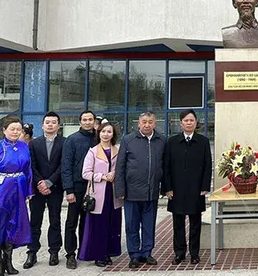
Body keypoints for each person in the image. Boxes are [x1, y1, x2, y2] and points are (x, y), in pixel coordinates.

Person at [0, 116, 34, 276]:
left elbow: (28, 170)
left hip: (18, 192)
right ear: (4, 130)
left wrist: (29, 191)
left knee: (14, 225)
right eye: (12, 129)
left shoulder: (24, 147)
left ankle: (8, 261)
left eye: (18, 129)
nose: (15, 132)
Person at [115, 111, 165, 269]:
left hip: (151, 192)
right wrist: (120, 189)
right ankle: (134, 255)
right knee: (132, 225)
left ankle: (147, 253)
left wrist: (165, 187)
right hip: (131, 192)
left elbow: (165, 166)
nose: (147, 125)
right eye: (144, 122)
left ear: (155, 124)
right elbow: (120, 166)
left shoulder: (161, 140)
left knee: (149, 225)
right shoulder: (128, 140)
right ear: (139, 123)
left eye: (150, 122)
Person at [162, 109, 212, 265]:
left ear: (196, 123)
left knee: (195, 223)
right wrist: (167, 188)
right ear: (181, 123)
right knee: (178, 223)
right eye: (186, 120)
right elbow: (166, 167)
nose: (189, 123)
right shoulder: (171, 142)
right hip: (176, 189)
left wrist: (205, 186)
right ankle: (179, 253)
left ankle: (194, 253)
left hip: (196, 188)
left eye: (192, 120)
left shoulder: (203, 142)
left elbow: (207, 165)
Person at [24, 112, 66, 269]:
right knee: (35, 220)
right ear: (42, 125)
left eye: (54, 122)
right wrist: (40, 182)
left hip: (55, 187)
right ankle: (32, 252)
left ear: (58, 126)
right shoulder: (34, 144)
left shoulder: (65, 142)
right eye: (47, 122)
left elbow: (64, 165)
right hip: (37, 188)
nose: (50, 125)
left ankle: (54, 251)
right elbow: (31, 165)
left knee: (55, 220)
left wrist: (50, 182)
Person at [78, 121, 123, 267]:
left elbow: (123, 168)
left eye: (109, 132)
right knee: (98, 225)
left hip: (114, 193)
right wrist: (102, 176)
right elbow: (85, 173)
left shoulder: (118, 149)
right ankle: (98, 255)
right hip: (98, 193)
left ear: (113, 134)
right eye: (103, 131)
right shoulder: (92, 151)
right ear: (99, 133)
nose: (106, 134)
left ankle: (110, 252)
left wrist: (114, 174)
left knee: (112, 224)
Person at [61, 110, 96, 269]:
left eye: (90, 119)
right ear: (80, 121)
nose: (88, 122)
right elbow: (66, 166)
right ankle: (70, 254)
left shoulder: (98, 137)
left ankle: (86, 249)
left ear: (94, 121)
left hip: (95, 187)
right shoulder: (72, 140)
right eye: (85, 119)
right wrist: (69, 190)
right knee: (72, 222)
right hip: (77, 186)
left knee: (89, 221)